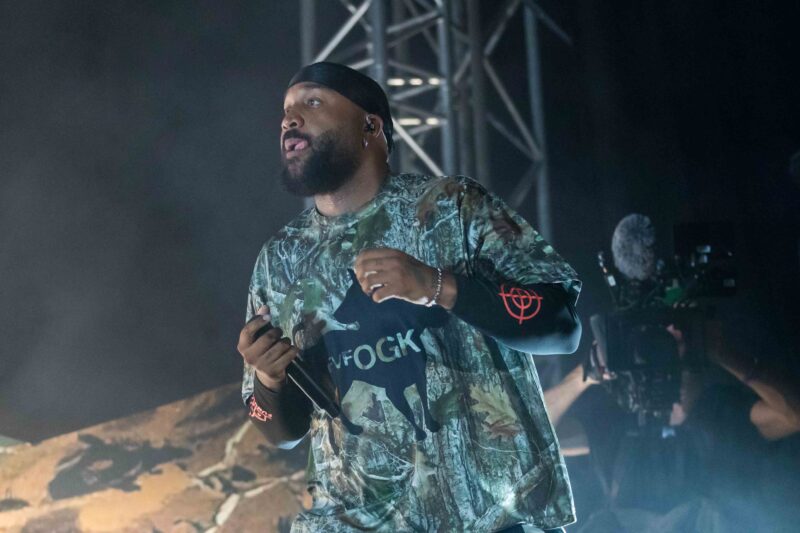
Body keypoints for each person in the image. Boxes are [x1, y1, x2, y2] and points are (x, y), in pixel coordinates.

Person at [236, 61, 582, 532]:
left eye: (312, 102)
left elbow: (561, 325)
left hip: (488, 518)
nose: (289, 119)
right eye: (285, 110)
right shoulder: (280, 260)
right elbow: (281, 432)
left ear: (370, 126)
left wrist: (438, 286)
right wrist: (268, 380)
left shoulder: (451, 206)